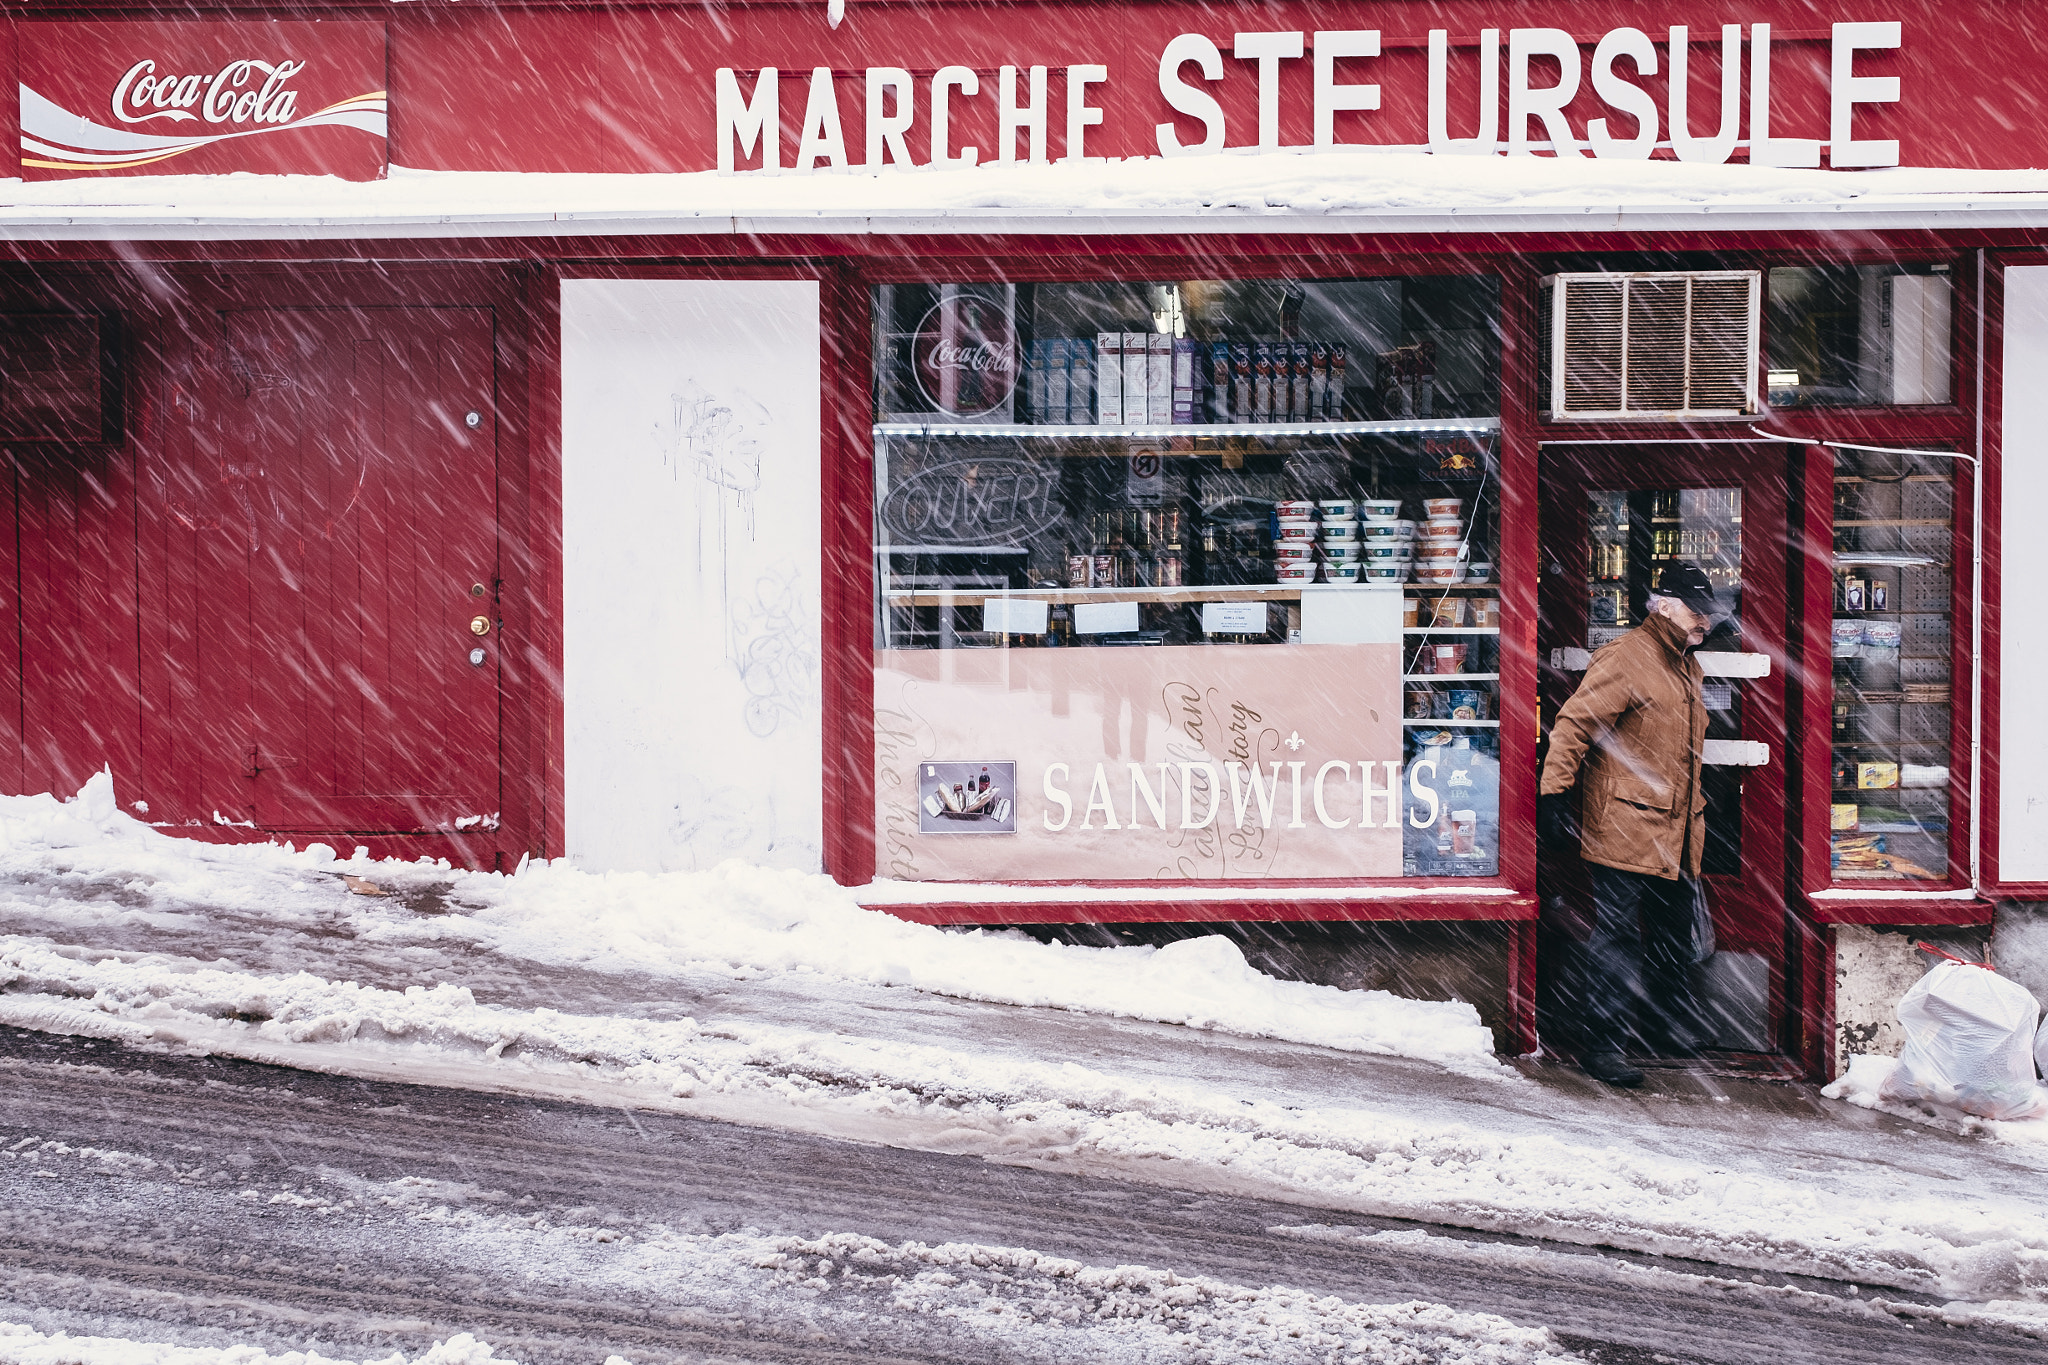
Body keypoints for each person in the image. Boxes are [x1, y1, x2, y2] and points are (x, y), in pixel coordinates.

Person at [1538, 563, 1718, 1088]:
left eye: (1707, 612)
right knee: (1617, 936)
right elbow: (1574, 725)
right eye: (1694, 609)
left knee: (1670, 930)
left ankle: (1664, 1027)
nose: (1703, 621)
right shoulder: (1626, 656)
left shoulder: (1686, 664)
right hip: (1625, 823)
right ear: (1662, 604)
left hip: (1676, 828)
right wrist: (1554, 793)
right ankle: (1603, 1045)